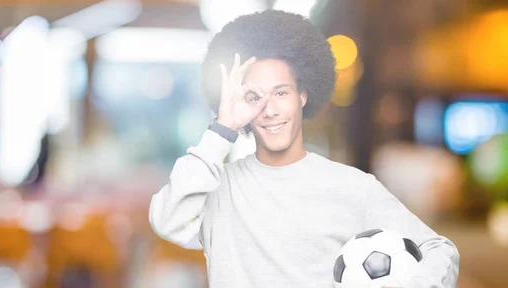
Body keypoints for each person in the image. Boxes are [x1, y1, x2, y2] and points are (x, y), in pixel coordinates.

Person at [149, 10, 459, 288]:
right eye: (254, 97)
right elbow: (168, 220)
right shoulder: (220, 190)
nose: (270, 109)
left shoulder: (352, 187)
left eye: (280, 92)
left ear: (303, 96)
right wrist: (222, 127)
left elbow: (439, 249)